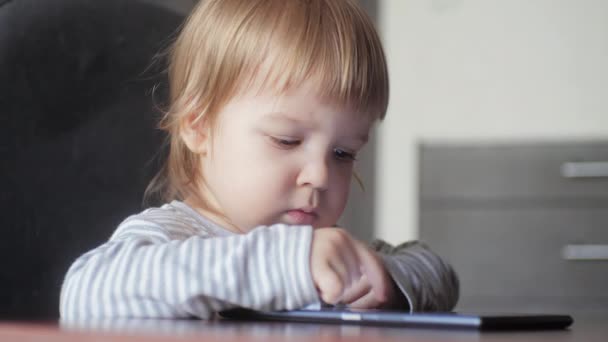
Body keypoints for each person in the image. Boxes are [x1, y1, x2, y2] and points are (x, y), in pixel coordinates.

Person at [60, 0, 459, 319]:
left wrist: (383, 280)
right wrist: (289, 265)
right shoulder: (172, 236)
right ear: (198, 128)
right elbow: (86, 290)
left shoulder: (324, 249)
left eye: (344, 153)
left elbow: (435, 270)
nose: (320, 174)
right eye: (286, 140)